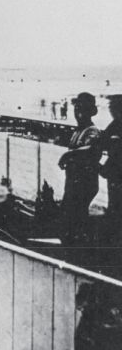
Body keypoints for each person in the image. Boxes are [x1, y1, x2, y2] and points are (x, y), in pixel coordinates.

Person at [59, 92, 102, 245]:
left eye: (82, 110)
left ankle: (79, 248)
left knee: (76, 215)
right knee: (69, 214)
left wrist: (68, 155)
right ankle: (74, 243)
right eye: (76, 110)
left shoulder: (92, 130)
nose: (78, 113)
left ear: (90, 111)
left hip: (85, 182)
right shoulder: (77, 131)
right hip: (72, 181)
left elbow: (91, 149)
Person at [100, 94, 122, 243]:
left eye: (112, 107)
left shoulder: (116, 125)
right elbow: (103, 141)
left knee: (116, 205)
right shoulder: (115, 124)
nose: (110, 110)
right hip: (114, 170)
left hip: (117, 170)